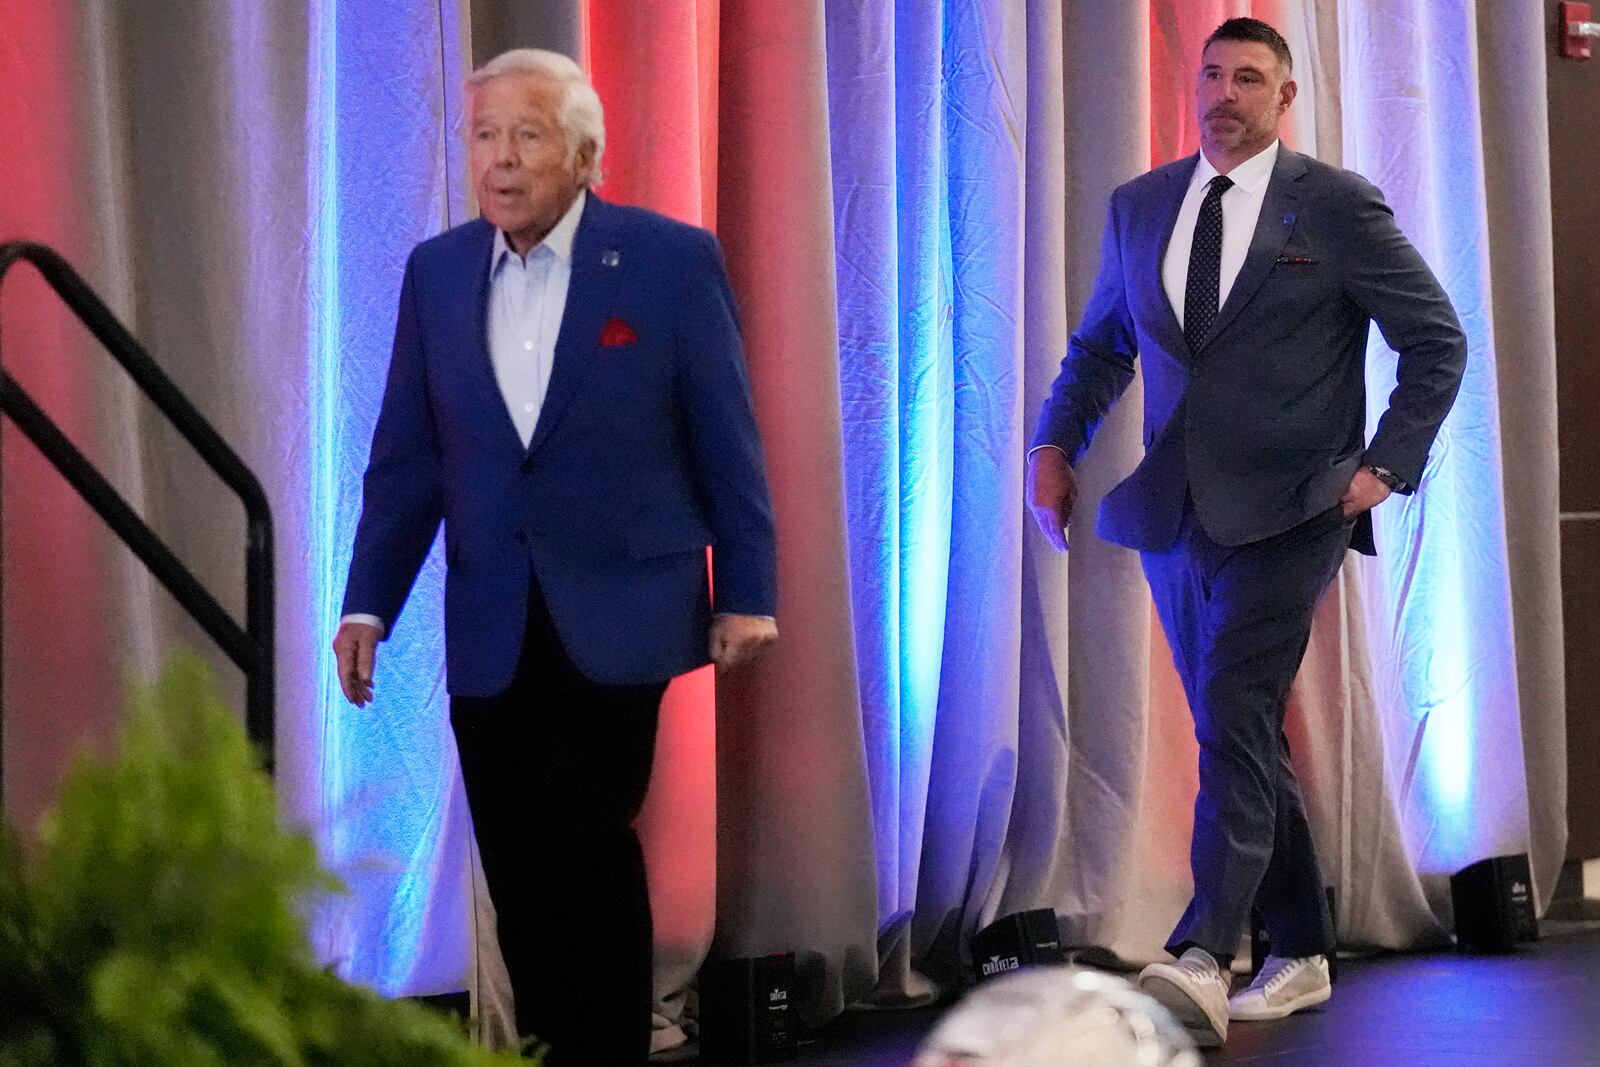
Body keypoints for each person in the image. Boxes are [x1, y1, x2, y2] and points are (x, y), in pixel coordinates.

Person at [332, 49, 778, 1065]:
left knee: (584, 840)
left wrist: (747, 588)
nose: (500, 159)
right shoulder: (437, 272)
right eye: (484, 135)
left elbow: (727, 437)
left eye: (526, 136)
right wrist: (368, 604)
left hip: (622, 605)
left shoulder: (667, 260)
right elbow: (406, 459)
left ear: (583, 154)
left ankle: (606, 1047)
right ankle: (549, 1047)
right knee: (517, 864)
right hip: (491, 612)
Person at [1026, 17, 1464, 1049]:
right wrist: (1055, 446)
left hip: (1295, 504)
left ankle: (1197, 950)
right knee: (1245, 728)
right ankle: (1300, 944)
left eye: (1249, 78)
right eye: (1211, 74)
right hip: (1177, 511)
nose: (1224, 93)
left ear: (1285, 95)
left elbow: (1434, 338)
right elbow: (1101, 346)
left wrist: (1384, 464)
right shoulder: (1141, 208)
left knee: (1231, 707)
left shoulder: (1336, 205)